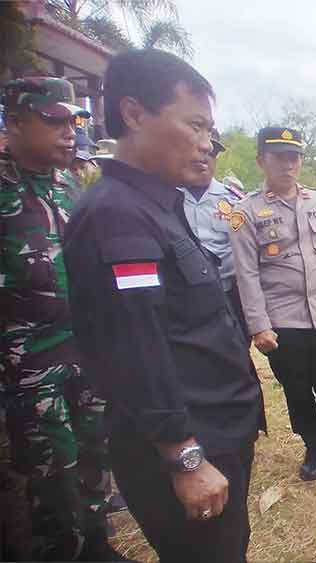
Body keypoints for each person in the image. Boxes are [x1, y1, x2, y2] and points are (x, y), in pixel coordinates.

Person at [64, 50, 265, 563]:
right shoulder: (117, 216)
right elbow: (135, 346)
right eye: (194, 125)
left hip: (215, 429)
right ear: (134, 114)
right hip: (187, 445)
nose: (206, 143)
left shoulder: (159, 205)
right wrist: (184, 457)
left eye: (209, 129)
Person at [1, 76, 121, 561]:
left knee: (96, 453)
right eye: (54, 121)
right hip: (29, 363)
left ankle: (97, 544)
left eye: (74, 121)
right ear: (16, 123)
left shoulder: (71, 184)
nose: (69, 131)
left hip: (84, 351)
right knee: (49, 473)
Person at [230, 126, 316, 489]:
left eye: (294, 157)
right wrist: (259, 325)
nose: (288, 164)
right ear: (262, 160)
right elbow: (246, 273)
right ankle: (313, 449)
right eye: (278, 157)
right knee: (297, 390)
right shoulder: (246, 211)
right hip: (282, 319)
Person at [177, 128, 250, 341]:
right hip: (185, 293)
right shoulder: (168, 197)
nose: (203, 158)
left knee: (237, 346)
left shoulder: (235, 201)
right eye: (197, 151)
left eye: (210, 153)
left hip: (229, 292)